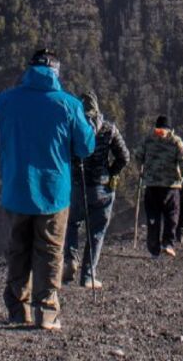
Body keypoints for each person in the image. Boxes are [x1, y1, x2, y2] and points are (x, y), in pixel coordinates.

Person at [0, 48, 96, 330]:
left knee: (18, 249)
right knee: (50, 251)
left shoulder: (6, 101)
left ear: (28, 71)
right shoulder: (68, 105)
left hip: (16, 191)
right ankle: (46, 312)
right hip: (53, 194)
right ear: (56, 72)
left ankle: (18, 309)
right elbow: (86, 147)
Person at [63, 93, 130, 289]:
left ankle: (70, 258)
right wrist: (110, 172)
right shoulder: (109, 129)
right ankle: (88, 276)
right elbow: (124, 157)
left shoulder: (73, 129)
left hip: (76, 186)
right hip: (101, 188)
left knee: (72, 223)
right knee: (96, 232)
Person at [136, 115, 183, 257]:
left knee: (153, 217)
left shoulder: (148, 140)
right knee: (172, 215)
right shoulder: (175, 141)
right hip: (171, 186)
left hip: (152, 185)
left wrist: (142, 172)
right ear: (169, 128)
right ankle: (168, 243)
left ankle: (154, 249)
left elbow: (138, 156)